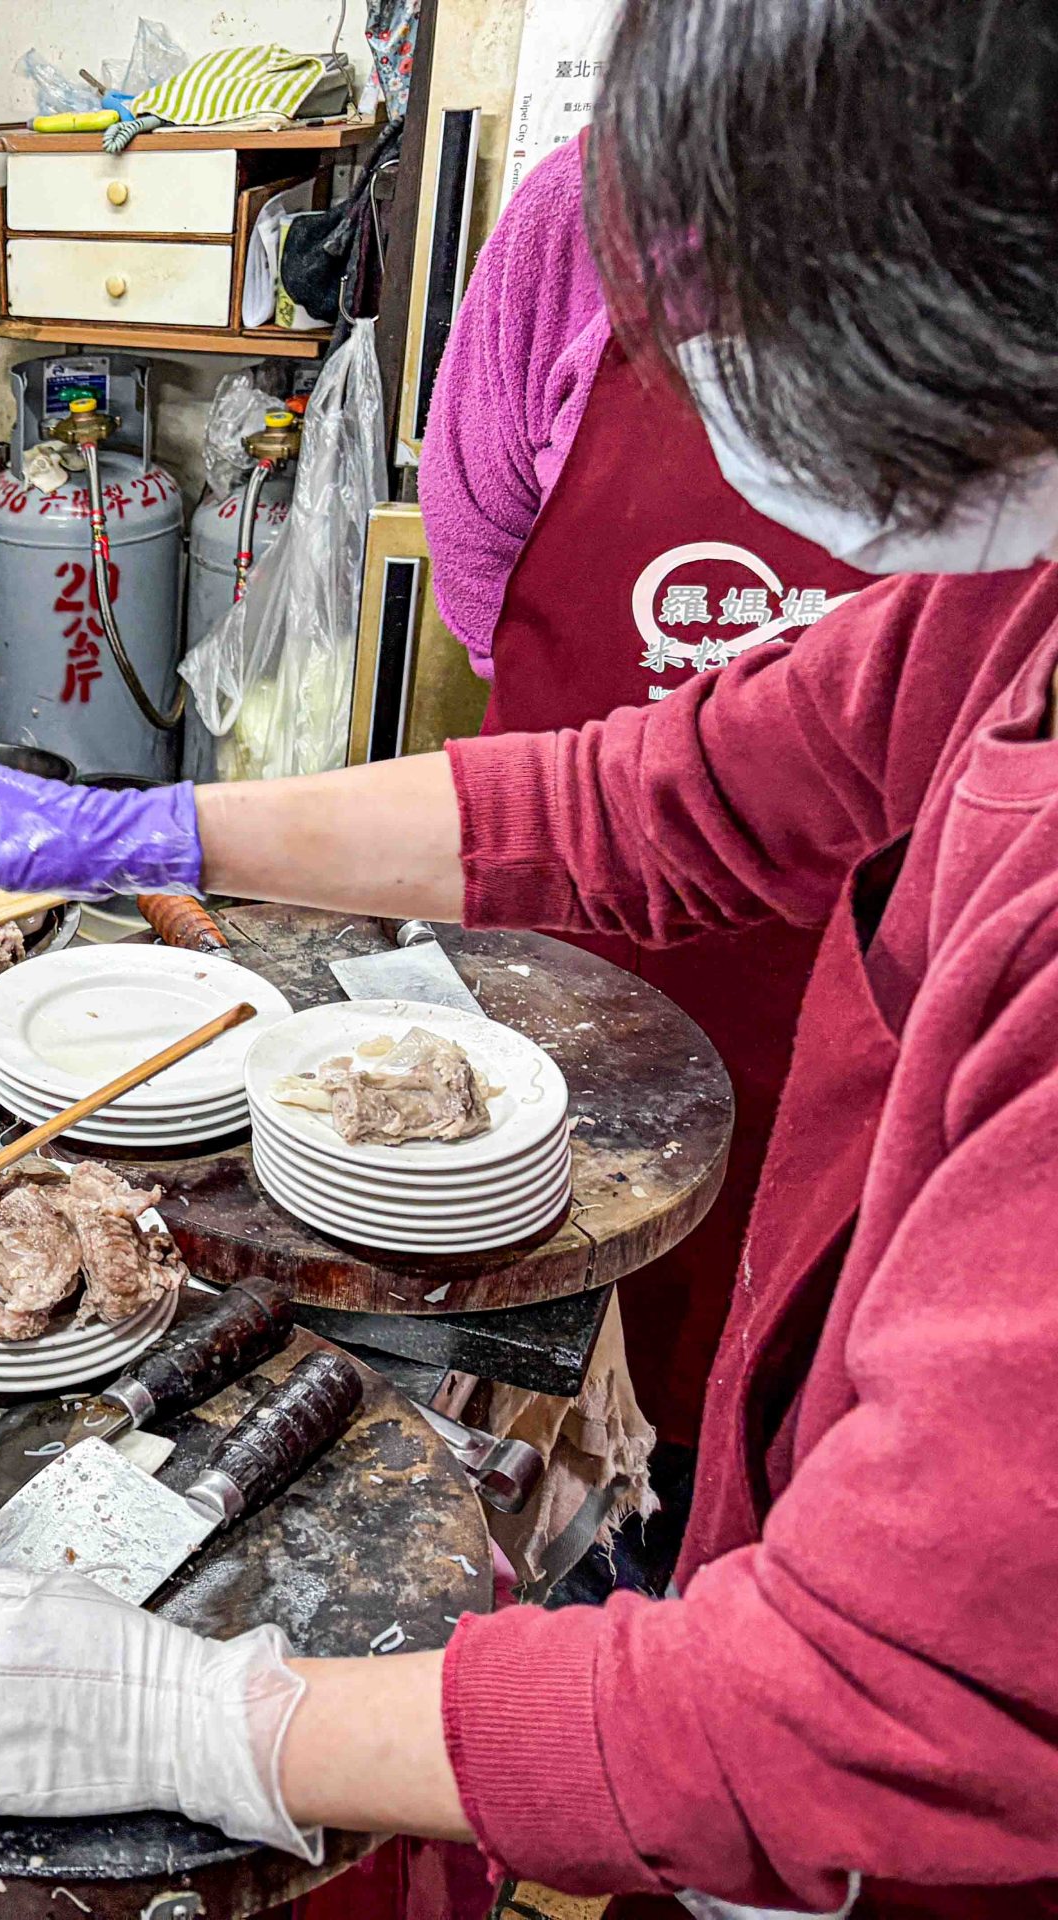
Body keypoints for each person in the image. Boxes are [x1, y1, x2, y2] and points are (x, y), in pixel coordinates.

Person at [0, 1, 1058, 1911]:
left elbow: (885, 1706)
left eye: (744, 312)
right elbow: (652, 798)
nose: (697, 368)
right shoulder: (1008, 602)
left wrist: (221, 1722)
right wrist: (154, 828)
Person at [417, 130, 883, 1447]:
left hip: (842, 950)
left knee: (781, 1352)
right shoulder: (584, 210)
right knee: (522, 1314)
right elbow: (477, 555)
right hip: (572, 901)